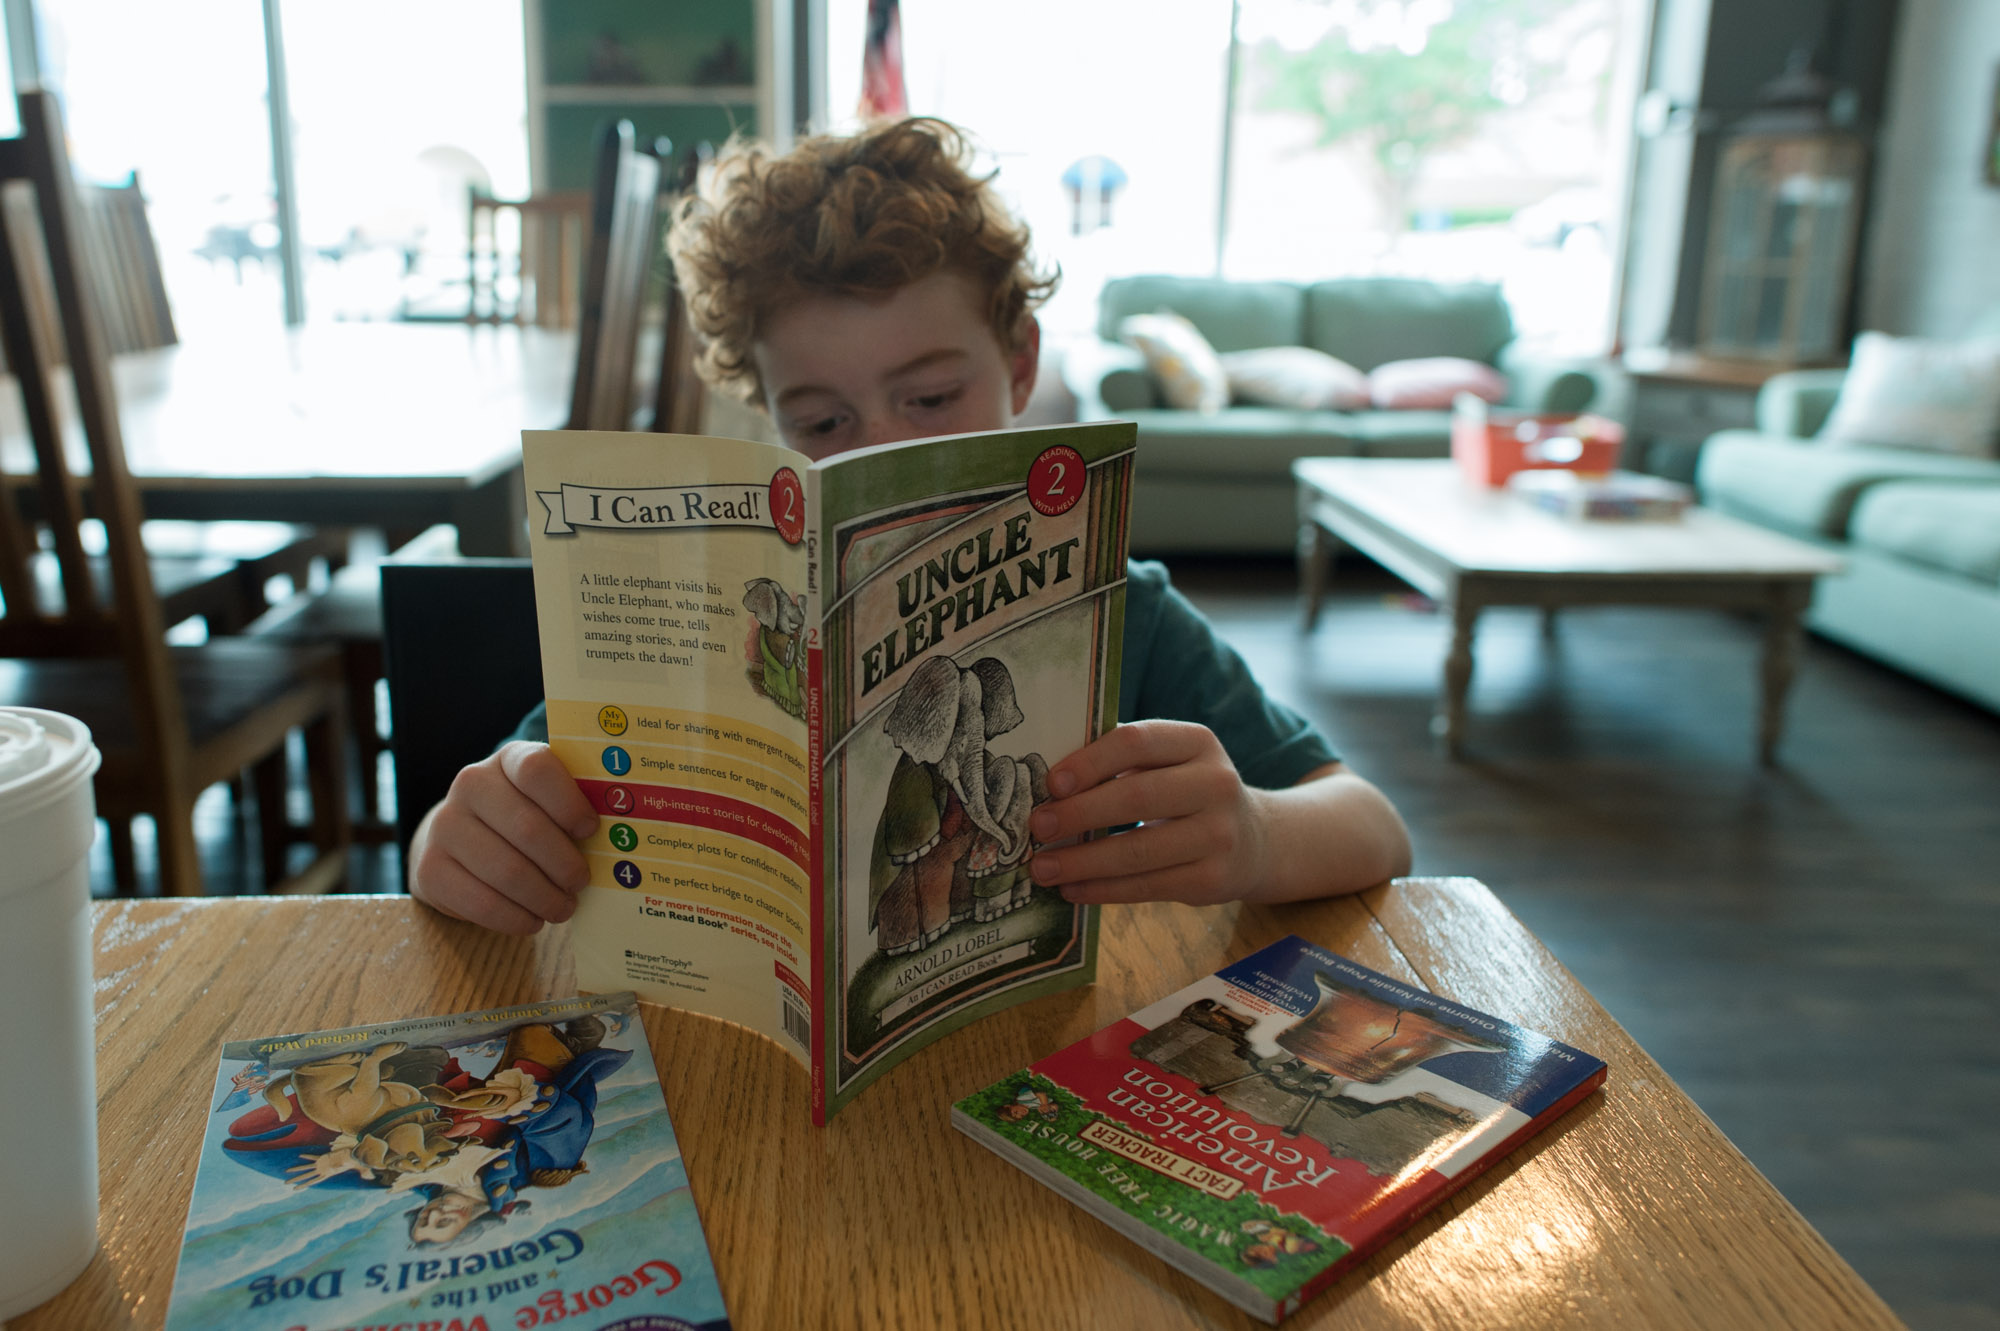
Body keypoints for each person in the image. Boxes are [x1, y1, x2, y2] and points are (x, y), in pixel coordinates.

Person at [409, 117, 1411, 937]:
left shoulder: (1124, 610)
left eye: (930, 395)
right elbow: (488, 822)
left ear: (1019, 364)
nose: (881, 454)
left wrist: (1255, 838)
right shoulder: (714, 615)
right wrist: (456, 839)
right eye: (823, 422)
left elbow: (1370, 823)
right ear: (768, 417)